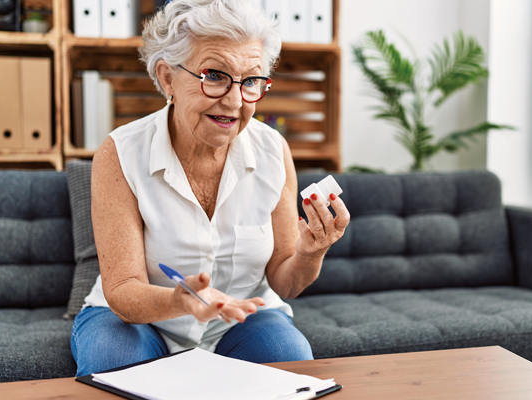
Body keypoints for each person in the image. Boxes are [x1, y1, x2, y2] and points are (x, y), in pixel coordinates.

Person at [70, 0, 350, 376]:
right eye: (215, 75)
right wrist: (180, 301)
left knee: (288, 358)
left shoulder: (272, 150)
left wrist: (310, 252)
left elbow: (285, 282)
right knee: (112, 363)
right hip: (141, 318)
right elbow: (122, 289)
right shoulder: (120, 152)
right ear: (167, 77)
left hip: (239, 318)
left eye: (250, 81)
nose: (235, 102)